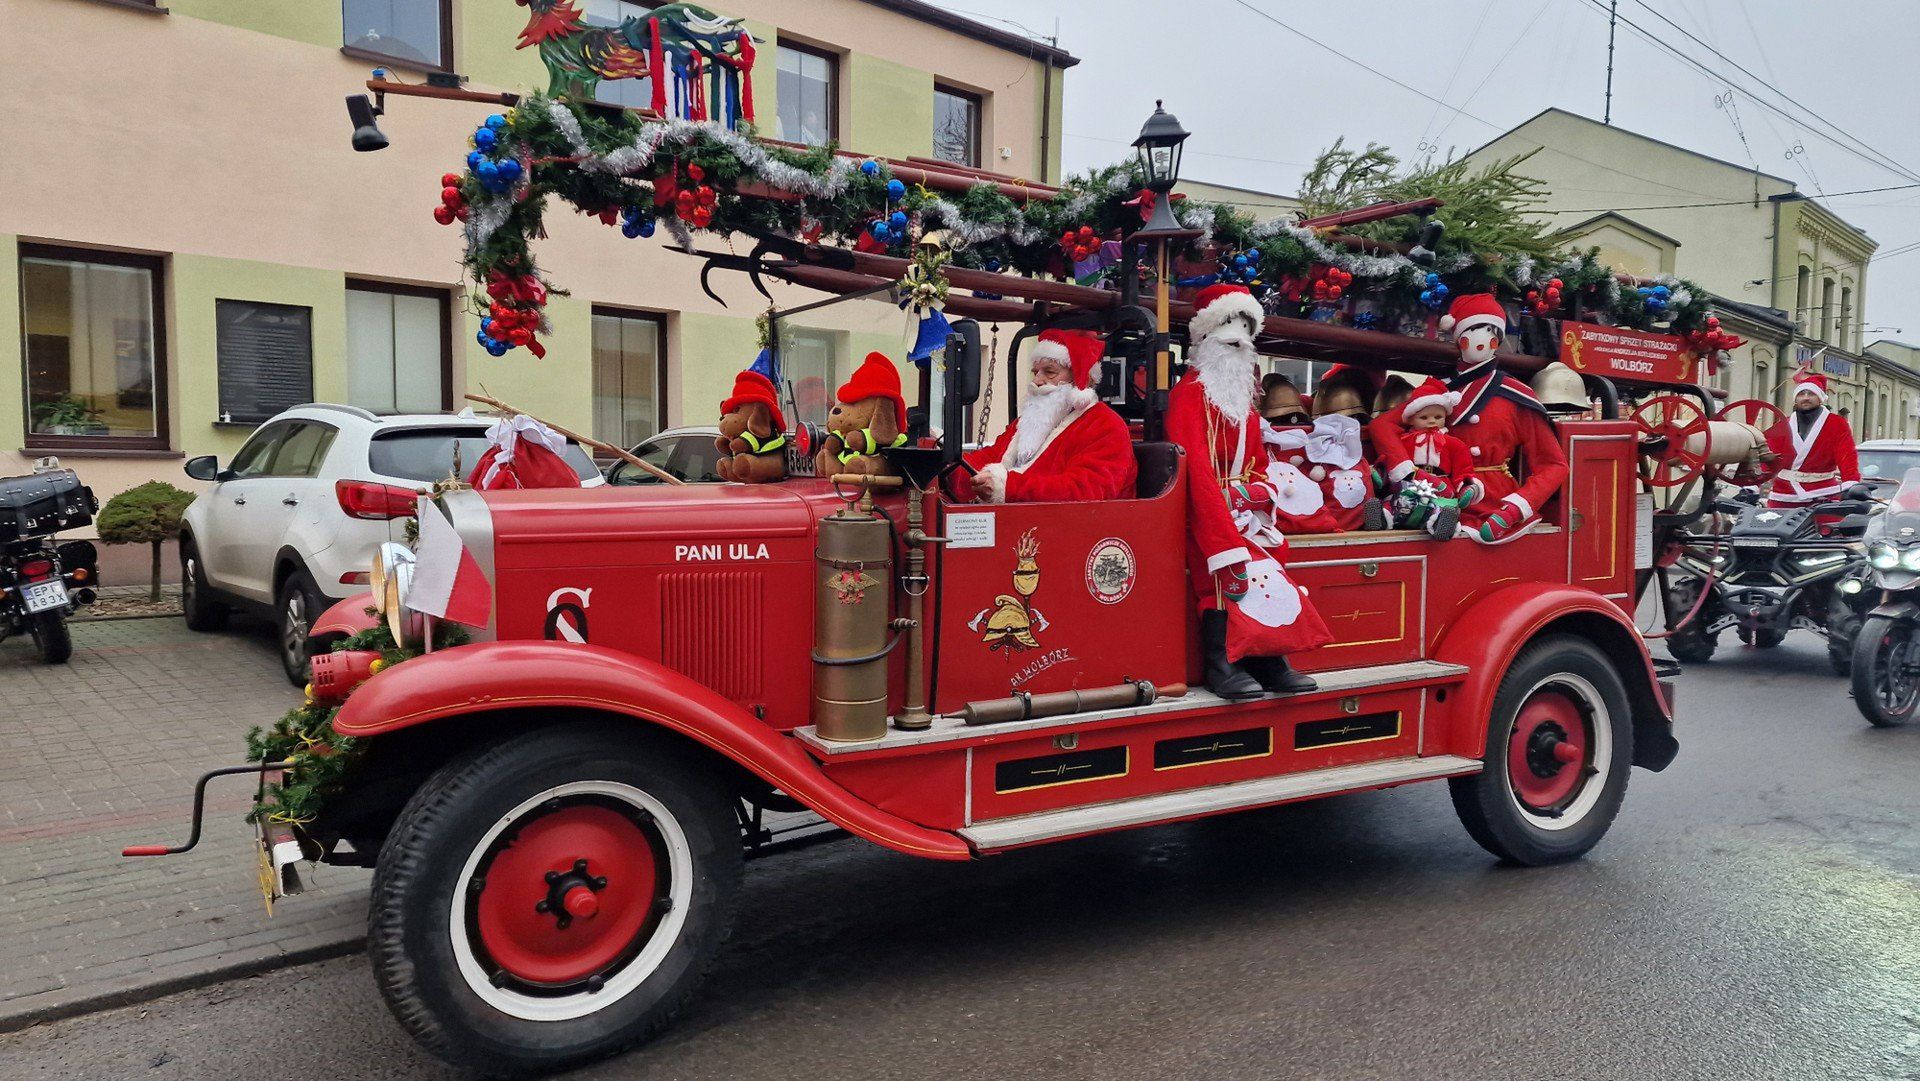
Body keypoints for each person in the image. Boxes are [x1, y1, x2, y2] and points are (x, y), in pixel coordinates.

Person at [1166, 284, 1330, 699]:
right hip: (1201, 512)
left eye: (1245, 330)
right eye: (1228, 328)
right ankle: (1223, 663)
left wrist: (1254, 498)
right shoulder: (1189, 397)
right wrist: (1223, 532)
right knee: (1224, 577)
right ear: (1205, 338)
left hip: (1242, 511)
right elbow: (1197, 472)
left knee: (1267, 573)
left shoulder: (1243, 405)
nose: (1239, 339)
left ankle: (1269, 658)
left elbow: (1259, 465)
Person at [1371, 293, 1567, 542]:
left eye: (1490, 332)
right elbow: (1382, 426)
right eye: (1472, 330)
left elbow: (1553, 465)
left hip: (1494, 506)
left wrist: (1515, 509)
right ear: (1459, 338)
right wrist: (1407, 471)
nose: (1482, 340)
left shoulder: (1515, 394)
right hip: (1436, 491)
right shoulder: (1437, 390)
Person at [950, 329, 1137, 503]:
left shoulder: (1105, 425)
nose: (1037, 381)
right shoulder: (1028, 422)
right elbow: (990, 457)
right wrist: (949, 469)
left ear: (1083, 380)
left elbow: (1085, 491)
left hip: (1075, 531)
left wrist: (1008, 487)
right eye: (1035, 372)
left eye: (1049, 372)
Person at [1384, 377, 1475, 539]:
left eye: (1438, 417)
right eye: (1424, 418)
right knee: (1397, 500)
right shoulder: (1405, 441)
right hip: (1413, 483)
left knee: (1439, 506)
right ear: (1411, 419)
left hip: (1441, 485)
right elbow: (1392, 459)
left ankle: (1442, 522)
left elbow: (1463, 468)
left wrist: (1465, 486)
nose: (1431, 421)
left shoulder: (1454, 444)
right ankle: (1384, 517)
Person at [1762, 370, 1860, 508]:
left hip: (1822, 495)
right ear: (1795, 399)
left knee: (1833, 528)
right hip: (1783, 494)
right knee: (1767, 527)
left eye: (1811, 393)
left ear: (1821, 398)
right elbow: (1768, 457)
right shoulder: (1783, 424)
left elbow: (1847, 455)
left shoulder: (1837, 423)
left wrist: (1850, 483)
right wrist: (1753, 484)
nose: (1806, 398)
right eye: (1801, 394)